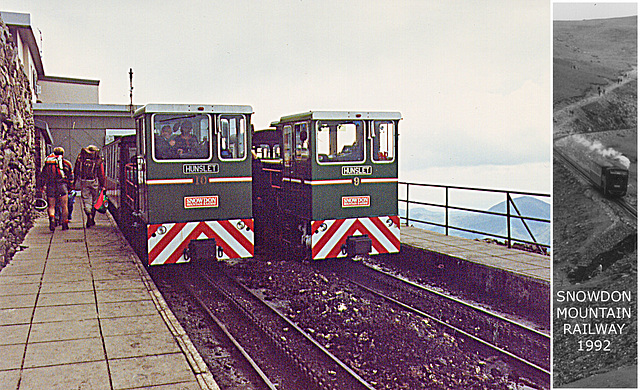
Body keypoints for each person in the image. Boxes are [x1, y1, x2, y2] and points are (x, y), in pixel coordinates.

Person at [37, 147, 73, 231]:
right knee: (64, 206)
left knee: (51, 206)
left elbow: (43, 176)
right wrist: (70, 187)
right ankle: (65, 223)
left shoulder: (48, 164)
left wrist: (42, 186)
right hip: (62, 185)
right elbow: (71, 177)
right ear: (62, 154)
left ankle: (52, 219)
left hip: (50, 185)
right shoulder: (66, 163)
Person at [74, 145, 106, 228]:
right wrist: (102, 184)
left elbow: (76, 170)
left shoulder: (81, 158)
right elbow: (101, 173)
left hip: (84, 180)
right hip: (94, 181)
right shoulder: (98, 160)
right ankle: (92, 218)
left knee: (86, 199)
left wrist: (74, 182)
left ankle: (88, 214)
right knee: (94, 200)